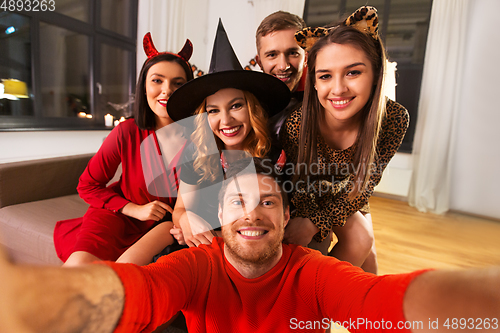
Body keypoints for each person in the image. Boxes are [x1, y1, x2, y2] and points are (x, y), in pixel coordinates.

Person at [1, 157, 499, 333]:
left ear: (286, 217)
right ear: (219, 216)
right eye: (237, 202)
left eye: (266, 203)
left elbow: (383, 304)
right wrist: (35, 301)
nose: (252, 212)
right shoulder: (197, 264)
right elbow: (139, 293)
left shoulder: (314, 272)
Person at [124, 20, 290, 254]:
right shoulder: (199, 150)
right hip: (193, 242)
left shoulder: (273, 155)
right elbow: (180, 208)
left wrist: (213, 234)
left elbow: (270, 221)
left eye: (235, 106)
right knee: (129, 269)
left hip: (241, 247)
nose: (226, 120)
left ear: (252, 108)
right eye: (213, 111)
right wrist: (186, 220)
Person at [281, 6, 409, 274]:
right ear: (314, 81)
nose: (338, 89)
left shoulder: (393, 119)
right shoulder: (298, 123)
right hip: (305, 192)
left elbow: (364, 184)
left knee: (365, 249)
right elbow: (295, 183)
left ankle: (325, 306)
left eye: (353, 72)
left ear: (375, 75)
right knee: (334, 243)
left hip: (349, 189)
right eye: (325, 75)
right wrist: (313, 223)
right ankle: (308, 303)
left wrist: (316, 222)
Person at [53, 33, 194, 266]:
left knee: (121, 282)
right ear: (144, 85)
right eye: (157, 80)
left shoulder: (199, 137)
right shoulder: (126, 132)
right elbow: (87, 185)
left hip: (165, 229)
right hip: (119, 215)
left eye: (178, 83)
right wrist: (133, 209)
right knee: (77, 268)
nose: (167, 90)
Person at [255, 10, 306, 143]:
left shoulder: (325, 105)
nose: (283, 66)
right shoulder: (246, 107)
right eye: (272, 55)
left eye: (293, 53)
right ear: (259, 62)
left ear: (306, 57)